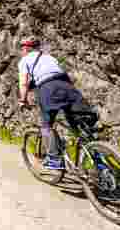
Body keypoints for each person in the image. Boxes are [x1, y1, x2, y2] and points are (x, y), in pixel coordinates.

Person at [18, 37, 82, 170]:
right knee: (78, 124)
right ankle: (96, 155)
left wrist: (23, 100)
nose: (21, 51)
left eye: (22, 48)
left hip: (49, 89)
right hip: (67, 87)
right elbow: (58, 73)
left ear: (26, 48)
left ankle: (54, 159)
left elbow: (24, 83)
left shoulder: (25, 60)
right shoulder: (50, 58)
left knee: (46, 125)